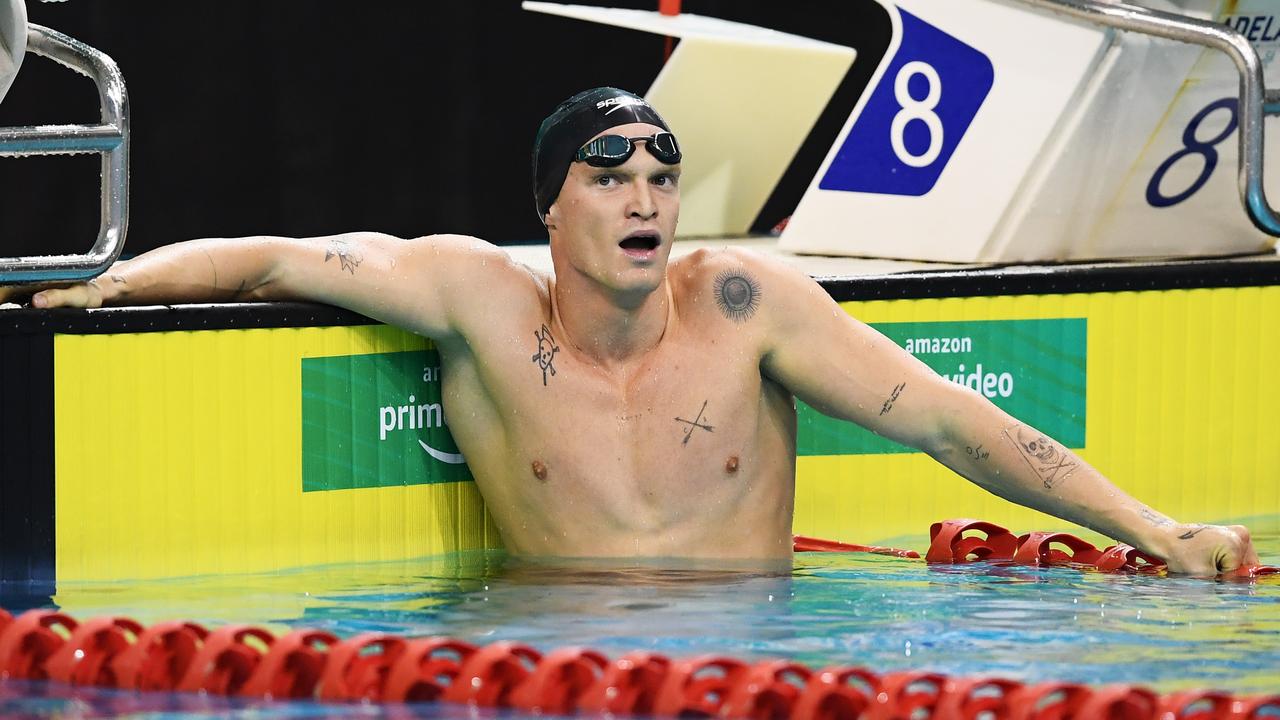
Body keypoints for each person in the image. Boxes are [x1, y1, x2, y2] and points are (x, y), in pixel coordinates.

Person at [0, 87, 1258, 575]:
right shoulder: (476, 301)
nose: (645, 196)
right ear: (547, 207)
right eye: (608, 174)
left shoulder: (745, 304)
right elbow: (268, 258)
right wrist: (107, 286)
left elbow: (949, 420)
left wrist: (1157, 531)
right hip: (548, 681)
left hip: (764, 676)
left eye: (661, 172)